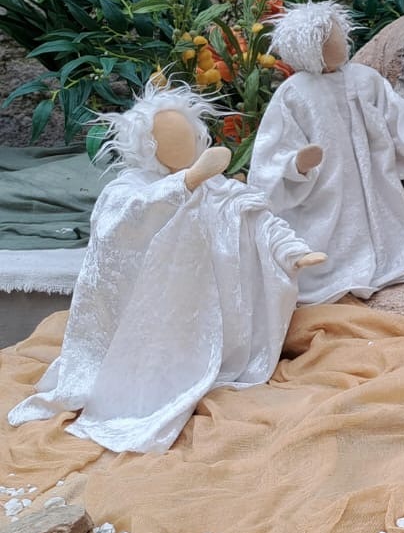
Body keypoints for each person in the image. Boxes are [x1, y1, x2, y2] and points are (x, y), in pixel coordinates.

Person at [8, 80, 324, 454]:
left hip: (208, 304)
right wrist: (185, 183)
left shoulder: (217, 188)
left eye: (186, 137)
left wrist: (290, 251)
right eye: (169, 141)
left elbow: (255, 215)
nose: (182, 147)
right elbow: (125, 223)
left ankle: (210, 356)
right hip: (154, 309)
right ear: (147, 147)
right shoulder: (130, 188)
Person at [249, 1, 404, 304]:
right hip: (327, 191)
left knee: (394, 220)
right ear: (306, 48)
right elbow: (274, 147)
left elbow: (394, 112)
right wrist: (296, 164)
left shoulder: (365, 78)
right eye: (327, 40)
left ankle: (390, 256)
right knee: (328, 234)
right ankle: (338, 267)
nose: (338, 43)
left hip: (376, 179)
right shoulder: (294, 93)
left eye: (338, 35)